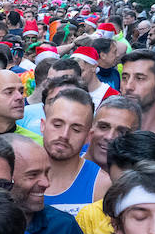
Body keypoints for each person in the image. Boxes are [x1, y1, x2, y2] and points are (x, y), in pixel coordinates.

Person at [7, 134, 95, 234]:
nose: (46, 183)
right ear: (4, 177)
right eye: (33, 175)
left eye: (47, 173)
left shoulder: (63, 226)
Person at [41, 86, 110, 215]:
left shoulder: (101, 185)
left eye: (76, 129)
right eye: (57, 125)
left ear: (88, 137)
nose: (64, 135)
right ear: (43, 125)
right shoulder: (19, 173)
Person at [86, 97, 142, 171]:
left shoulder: (139, 180)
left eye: (122, 132)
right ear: (91, 126)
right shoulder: (66, 161)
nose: (109, 137)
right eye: (103, 127)